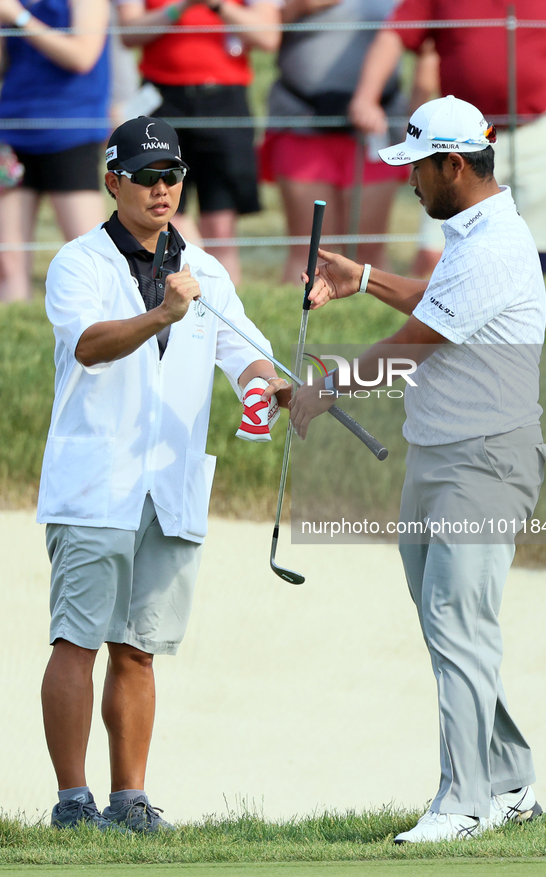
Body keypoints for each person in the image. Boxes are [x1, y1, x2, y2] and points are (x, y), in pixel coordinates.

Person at [289, 95, 546, 843]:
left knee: (455, 622)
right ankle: (509, 782)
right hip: (442, 455)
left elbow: (416, 341)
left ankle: (462, 802)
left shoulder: (491, 244)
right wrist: (367, 277)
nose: (409, 182)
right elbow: (442, 303)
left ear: (452, 164)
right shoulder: (475, 235)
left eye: (417, 168)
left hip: (482, 462)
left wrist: (325, 392)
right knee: (454, 626)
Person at [37, 115, 289, 831]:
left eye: (172, 175)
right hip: (94, 483)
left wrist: (266, 387)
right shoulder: (78, 262)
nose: (161, 188)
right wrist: (162, 314)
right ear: (112, 180)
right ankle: (72, 801)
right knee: (75, 640)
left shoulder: (205, 269)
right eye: (146, 176)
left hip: (168, 486)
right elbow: (88, 345)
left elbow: (248, 353)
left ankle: (130, 799)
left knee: (138, 649)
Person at [348, 0, 546, 276]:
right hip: (460, 139)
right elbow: (394, 34)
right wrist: (366, 96)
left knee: (539, 258)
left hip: (537, 131)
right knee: (435, 256)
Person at [260, 0, 438, 284]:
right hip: (301, 121)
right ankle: (299, 324)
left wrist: (415, 114)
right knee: (310, 252)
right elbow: (259, 34)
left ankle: (376, 322)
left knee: (368, 252)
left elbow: (428, 46)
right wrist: (300, 7)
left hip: (376, 126)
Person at [117, 0, 282, 285]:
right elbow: (129, 34)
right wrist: (181, 7)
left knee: (221, 223)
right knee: (165, 210)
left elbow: (268, 37)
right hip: (163, 99)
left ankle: (223, 304)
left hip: (224, 99)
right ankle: (186, 291)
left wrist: (218, 6)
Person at [0, 0, 110, 303]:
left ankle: (100, 338)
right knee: (8, 264)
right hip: (11, 130)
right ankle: (15, 338)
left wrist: (18, 17)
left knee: (91, 259)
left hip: (70, 131)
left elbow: (82, 56)